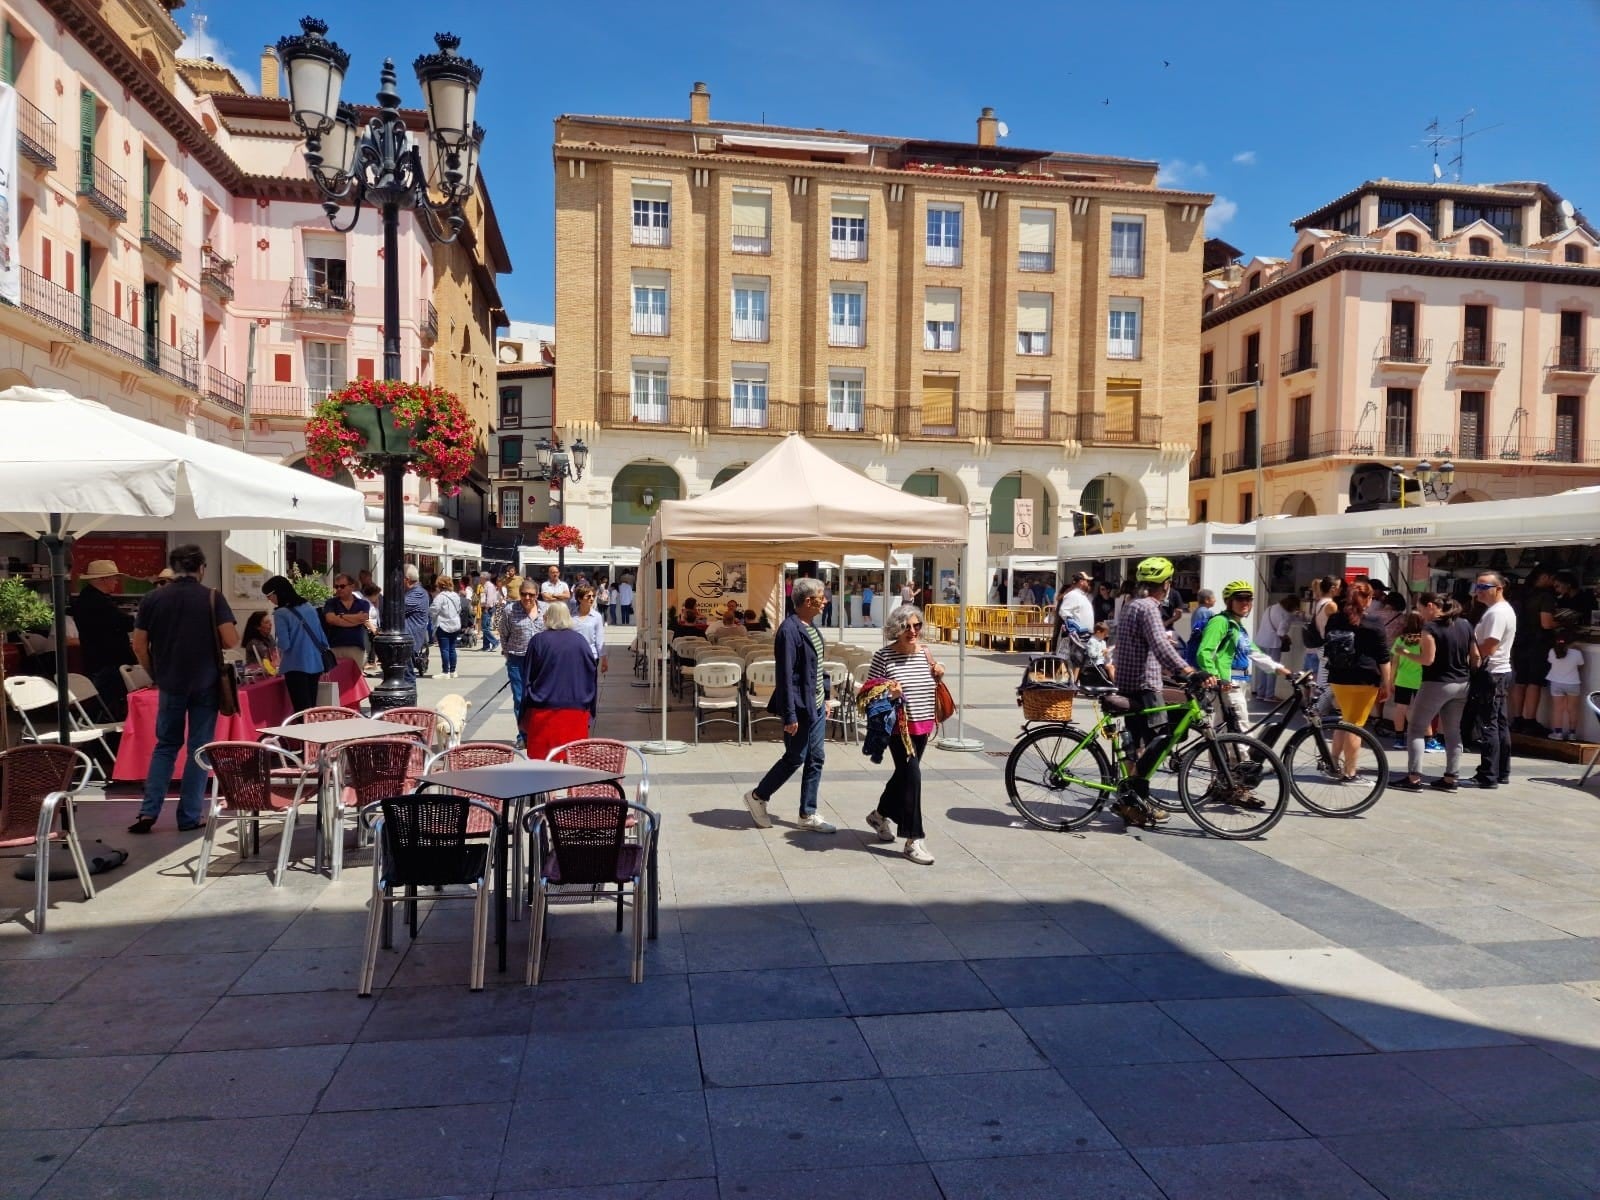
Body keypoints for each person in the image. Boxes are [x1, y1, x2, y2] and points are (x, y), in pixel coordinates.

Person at [129, 544, 239, 834]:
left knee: (165, 746)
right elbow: (231, 640)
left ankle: (148, 812)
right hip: (206, 682)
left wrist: (156, 672)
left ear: (173, 568)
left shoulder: (153, 598)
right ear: (201, 568)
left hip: (170, 683)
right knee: (198, 750)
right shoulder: (212, 598)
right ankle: (189, 816)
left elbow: (139, 645)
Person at [1111, 557, 1204, 825]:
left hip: (1129, 683)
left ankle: (1133, 802)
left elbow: (1146, 646)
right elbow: (1161, 648)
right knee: (1161, 739)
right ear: (1166, 584)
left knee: (1138, 745)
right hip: (1145, 685)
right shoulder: (1150, 608)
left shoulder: (1131, 605)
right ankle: (1134, 798)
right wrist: (1188, 672)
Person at [743, 577, 834, 833]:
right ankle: (758, 796)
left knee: (816, 758)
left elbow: (817, 668)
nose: (825, 600)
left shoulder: (812, 628)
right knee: (795, 757)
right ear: (808, 601)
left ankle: (808, 813)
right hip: (800, 707)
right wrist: (790, 715)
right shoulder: (789, 630)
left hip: (815, 705)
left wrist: (825, 697)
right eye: (821, 596)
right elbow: (785, 677)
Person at [864, 605, 943, 864]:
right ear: (895, 629)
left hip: (924, 724)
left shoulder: (925, 654)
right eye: (906, 626)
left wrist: (938, 673)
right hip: (899, 727)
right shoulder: (884, 656)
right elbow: (868, 692)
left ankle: (879, 815)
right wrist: (889, 693)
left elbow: (931, 685)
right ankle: (913, 839)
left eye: (916, 626)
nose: (912, 631)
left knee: (904, 776)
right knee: (913, 779)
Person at [1393, 592, 1474, 792]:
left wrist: (1405, 653)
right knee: (1453, 731)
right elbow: (1476, 656)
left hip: (1436, 683)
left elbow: (1428, 659)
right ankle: (1451, 778)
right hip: (1462, 683)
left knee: (1416, 729)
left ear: (1430, 606)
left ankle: (1413, 778)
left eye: (1420, 609)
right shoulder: (1465, 624)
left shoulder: (1430, 628)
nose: (1420, 614)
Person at [1194, 581, 1291, 733]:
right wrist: (1215, 677)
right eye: (1240, 599)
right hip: (1228, 685)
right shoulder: (1220, 622)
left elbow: (1254, 653)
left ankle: (1220, 756)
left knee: (1224, 730)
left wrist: (1283, 671)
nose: (1245, 602)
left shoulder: (1238, 626)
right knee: (1241, 731)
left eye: (1249, 599)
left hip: (1241, 683)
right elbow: (1204, 651)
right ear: (1229, 601)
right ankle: (1243, 758)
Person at [1323, 580, 1392, 780]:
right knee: (1355, 725)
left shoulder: (1335, 619)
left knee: (1345, 720)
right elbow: (1383, 657)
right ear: (1368, 599)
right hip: (1365, 679)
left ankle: (1333, 762)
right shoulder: (1374, 622)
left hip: (1338, 677)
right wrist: (1386, 684)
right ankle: (1350, 771)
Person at [519, 602, 596, 759]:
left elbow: (527, 677)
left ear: (547, 618)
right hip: (575, 710)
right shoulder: (580, 641)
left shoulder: (538, 641)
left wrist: (524, 712)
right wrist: (590, 709)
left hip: (543, 710)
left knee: (544, 764)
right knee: (573, 762)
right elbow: (591, 676)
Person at [71, 558, 136, 719]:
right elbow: (124, 623)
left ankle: (99, 740)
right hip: (107, 662)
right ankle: (100, 742)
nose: (116, 581)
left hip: (98, 660)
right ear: (102, 579)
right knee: (106, 707)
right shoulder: (97, 601)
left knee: (103, 705)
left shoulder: (89, 598)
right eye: (114, 577)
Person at [262, 575, 333, 713]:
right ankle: (312, 733)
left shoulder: (281, 613)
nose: (269, 599)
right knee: (311, 707)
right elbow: (322, 637)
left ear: (278, 592)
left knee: (301, 709)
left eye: (269, 595)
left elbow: (285, 645)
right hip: (316, 663)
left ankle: (302, 733)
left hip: (295, 665)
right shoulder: (309, 607)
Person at [1471, 572, 1516, 787]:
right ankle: (1501, 771)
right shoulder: (1498, 611)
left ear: (1499, 588)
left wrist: (1472, 658)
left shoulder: (1497, 613)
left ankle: (1489, 774)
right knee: (1498, 722)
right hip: (1499, 671)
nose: (1477, 591)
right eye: (1477, 586)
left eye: (1483, 586)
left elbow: (1491, 644)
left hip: (1492, 671)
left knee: (1489, 723)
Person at [497, 581, 544, 749]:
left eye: (531, 594)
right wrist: (508, 654)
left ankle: (537, 733)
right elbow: (503, 634)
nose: (527, 597)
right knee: (519, 699)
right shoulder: (510, 610)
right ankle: (523, 736)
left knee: (539, 699)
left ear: (537, 595)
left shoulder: (545, 610)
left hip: (540, 662)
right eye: (524, 594)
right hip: (517, 660)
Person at [1389, 612, 1426, 751]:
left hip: (1402, 679)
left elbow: (1395, 662)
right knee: (1421, 710)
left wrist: (1390, 680)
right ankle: (1423, 738)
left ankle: (1399, 738)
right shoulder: (1424, 640)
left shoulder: (1400, 640)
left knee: (1400, 708)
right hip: (1420, 680)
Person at [1253, 594, 1300, 703]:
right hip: (1273, 643)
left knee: (1262, 668)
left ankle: (1260, 693)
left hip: (1260, 640)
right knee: (1273, 669)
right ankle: (1269, 695)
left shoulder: (1270, 608)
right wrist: (1287, 638)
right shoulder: (1286, 615)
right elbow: (1281, 632)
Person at [322, 573, 371, 670]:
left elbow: (363, 618)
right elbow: (331, 619)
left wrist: (341, 616)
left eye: (342, 586)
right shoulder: (331, 603)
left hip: (356, 648)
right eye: (336, 586)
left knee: (355, 679)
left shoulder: (363, 603)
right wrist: (355, 619)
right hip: (335, 647)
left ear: (352, 587)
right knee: (335, 680)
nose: (339, 589)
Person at [1546, 632, 1583, 742]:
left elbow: (1550, 661)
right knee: (1572, 710)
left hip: (1556, 683)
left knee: (1558, 709)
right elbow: (1581, 665)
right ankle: (1572, 734)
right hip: (1573, 683)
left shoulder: (1552, 651)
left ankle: (1558, 733)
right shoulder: (1577, 653)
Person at [430, 573, 465, 679]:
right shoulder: (455, 595)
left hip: (443, 625)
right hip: (455, 624)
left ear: (440, 585)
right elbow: (459, 609)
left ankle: (445, 672)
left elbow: (434, 610)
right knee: (452, 648)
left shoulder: (440, 597)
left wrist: (429, 613)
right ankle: (453, 671)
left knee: (444, 649)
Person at [1055, 570, 1095, 656]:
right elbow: (1064, 612)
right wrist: (1076, 631)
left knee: (1080, 663)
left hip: (1084, 635)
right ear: (1081, 582)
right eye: (1087, 581)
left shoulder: (1081, 595)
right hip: (1079, 637)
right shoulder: (1073, 595)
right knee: (1077, 663)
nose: (1089, 583)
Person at [403, 564, 430, 681]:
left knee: (407, 676)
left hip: (408, 640)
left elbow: (397, 607)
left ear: (406, 579)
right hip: (405, 640)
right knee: (404, 675)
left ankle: (410, 699)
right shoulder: (411, 592)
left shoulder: (418, 593)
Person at [241, 610, 280, 674]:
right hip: (257, 674)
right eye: (266, 622)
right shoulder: (253, 642)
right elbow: (269, 656)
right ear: (258, 627)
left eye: (270, 621)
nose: (271, 624)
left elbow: (276, 654)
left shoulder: (269, 637)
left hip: (268, 671)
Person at [360, 583, 383, 672]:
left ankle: (370, 663)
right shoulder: (365, 603)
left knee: (372, 647)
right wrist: (373, 629)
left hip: (373, 628)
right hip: (367, 629)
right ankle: (362, 668)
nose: (378, 597)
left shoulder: (371, 603)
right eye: (377, 595)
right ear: (372, 594)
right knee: (366, 649)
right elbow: (365, 619)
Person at [478, 571, 501, 651]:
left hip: (488, 608)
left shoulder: (489, 586)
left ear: (484, 578)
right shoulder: (484, 585)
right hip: (485, 607)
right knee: (485, 627)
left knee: (485, 628)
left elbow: (490, 599)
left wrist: (486, 609)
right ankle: (486, 646)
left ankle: (495, 642)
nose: (479, 579)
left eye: (480, 577)